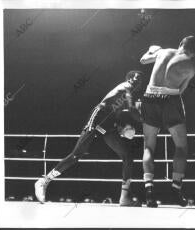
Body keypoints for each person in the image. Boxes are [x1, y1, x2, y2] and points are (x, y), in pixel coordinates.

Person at [35, 71, 145, 207]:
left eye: (140, 80)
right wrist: (144, 118)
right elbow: (131, 109)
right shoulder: (126, 86)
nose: (137, 81)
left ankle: (124, 198)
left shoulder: (128, 94)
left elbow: (118, 112)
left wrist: (122, 127)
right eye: (135, 78)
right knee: (76, 155)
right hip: (98, 116)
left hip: (108, 123)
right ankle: (43, 181)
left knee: (127, 156)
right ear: (129, 78)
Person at [140, 36, 195, 207]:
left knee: (148, 146)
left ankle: (149, 192)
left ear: (181, 43)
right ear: (194, 53)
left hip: (149, 97)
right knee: (181, 146)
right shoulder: (192, 66)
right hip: (170, 100)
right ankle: (176, 189)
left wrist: (152, 50)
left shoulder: (163, 52)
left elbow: (143, 60)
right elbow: (180, 90)